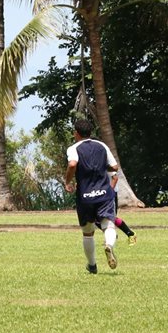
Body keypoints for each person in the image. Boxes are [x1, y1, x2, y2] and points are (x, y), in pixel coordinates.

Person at [64, 117, 120, 273]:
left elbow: (72, 164)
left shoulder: (74, 148)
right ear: (90, 132)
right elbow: (114, 166)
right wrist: (102, 168)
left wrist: (67, 181)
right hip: (104, 192)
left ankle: (92, 265)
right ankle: (108, 245)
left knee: (88, 232)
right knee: (108, 225)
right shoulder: (102, 146)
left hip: (85, 195)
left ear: (76, 133)